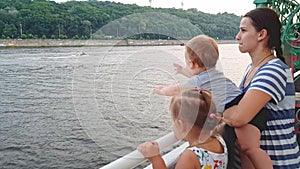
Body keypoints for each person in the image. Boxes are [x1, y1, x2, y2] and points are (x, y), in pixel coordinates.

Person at [222, 7, 300, 169]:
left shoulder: (273, 70)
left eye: (243, 30)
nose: (238, 37)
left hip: (278, 163)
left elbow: (238, 118)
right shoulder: (252, 68)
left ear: (261, 34)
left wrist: (219, 112)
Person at [137, 89, 228, 169]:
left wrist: (155, 158)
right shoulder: (219, 140)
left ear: (181, 125)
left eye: (173, 121)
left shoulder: (190, 156)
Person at [153, 35, 241, 113]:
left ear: (191, 64)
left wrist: (161, 90)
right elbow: (202, 78)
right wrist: (183, 71)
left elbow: (176, 90)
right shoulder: (218, 76)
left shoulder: (198, 81)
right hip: (241, 101)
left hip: (227, 108)